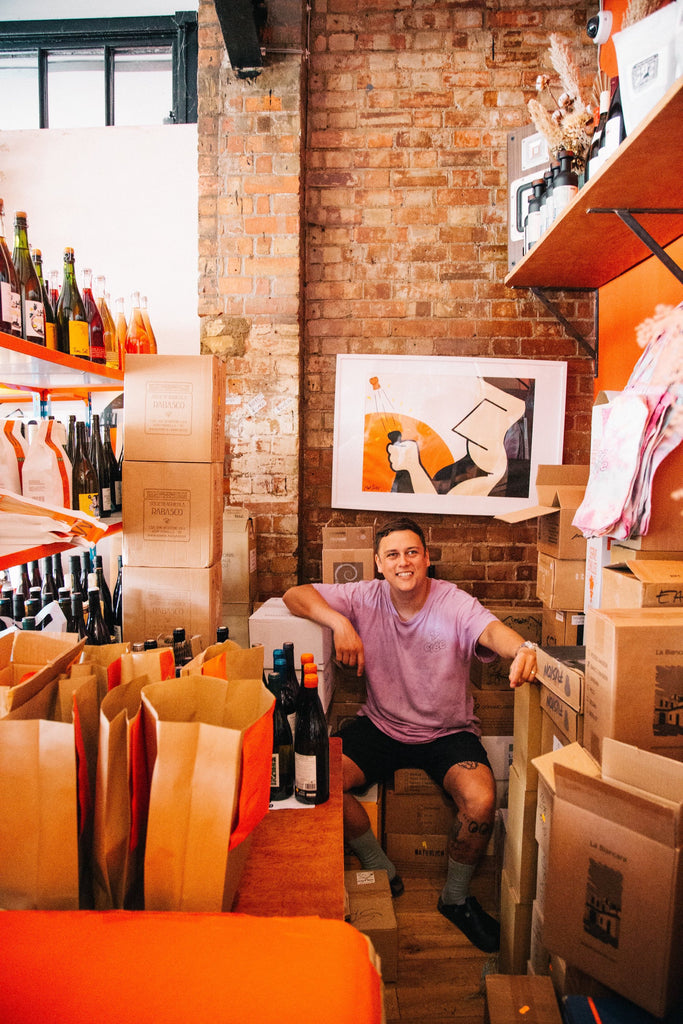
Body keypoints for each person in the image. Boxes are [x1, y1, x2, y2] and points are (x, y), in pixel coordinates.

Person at [283, 515, 537, 953]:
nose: (404, 562)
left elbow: (493, 632)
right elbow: (294, 595)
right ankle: (379, 864)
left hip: (447, 731)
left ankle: (455, 899)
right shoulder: (363, 596)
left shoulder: (453, 602)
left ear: (427, 558)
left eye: (413, 552)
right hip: (381, 724)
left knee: (481, 800)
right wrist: (340, 624)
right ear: (378, 563)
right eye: (394, 555)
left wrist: (524, 650)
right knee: (317, 778)